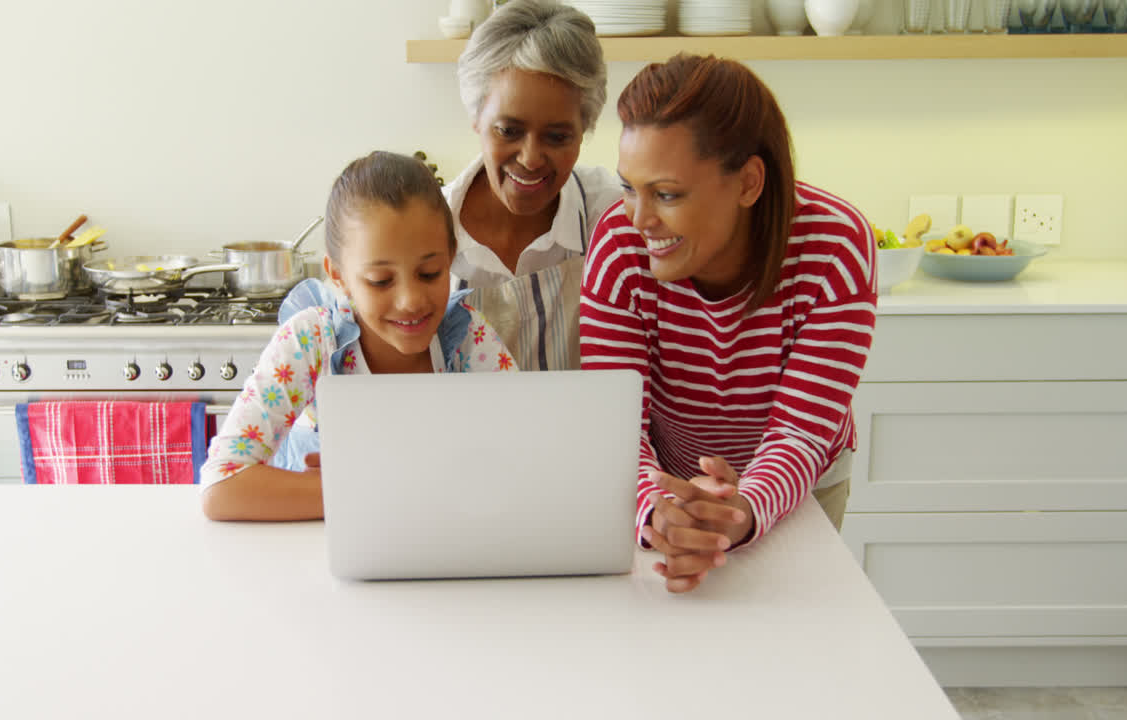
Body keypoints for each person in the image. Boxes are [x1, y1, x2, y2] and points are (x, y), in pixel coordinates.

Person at [580, 54, 878, 593]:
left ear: (748, 182)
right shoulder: (617, 243)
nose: (639, 219)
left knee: (790, 633)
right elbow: (617, 426)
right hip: (663, 481)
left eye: (666, 194)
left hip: (802, 484)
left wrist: (741, 511)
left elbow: (801, 431)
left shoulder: (836, 247)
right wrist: (659, 511)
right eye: (629, 187)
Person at [200, 151, 517, 521]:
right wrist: (378, 488)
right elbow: (222, 487)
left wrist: (371, 485)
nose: (411, 301)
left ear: (450, 258)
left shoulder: (467, 338)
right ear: (337, 275)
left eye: (430, 273)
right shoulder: (312, 340)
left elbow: (520, 461)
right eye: (380, 281)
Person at [446, 0, 622, 371]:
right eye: (509, 130)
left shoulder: (609, 215)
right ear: (476, 117)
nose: (530, 158)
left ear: (583, 130)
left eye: (557, 137)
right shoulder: (428, 227)